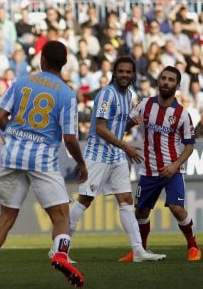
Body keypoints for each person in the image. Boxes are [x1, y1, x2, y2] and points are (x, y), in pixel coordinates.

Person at [0, 41, 88, 289]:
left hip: (12, 155)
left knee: (5, 217)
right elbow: (69, 138)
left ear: (43, 60)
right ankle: (60, 254)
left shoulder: (21, 81)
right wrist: (81, 163)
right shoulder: (67, 94)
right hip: (42, 158)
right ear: (65, 63)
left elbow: (0, 117)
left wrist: (15, 136)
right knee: (61, 215)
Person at [67, 57, 166, 263]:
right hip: (98, 155)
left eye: (128, 72)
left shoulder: (128, 94)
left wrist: (132, 122)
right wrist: (126, 147)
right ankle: (59, 248)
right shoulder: (106, 94)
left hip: (116, 155)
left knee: (126, 201)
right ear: (114, 72)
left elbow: (116, 125)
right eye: (120, 71)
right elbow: (101, 128)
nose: (124, 75)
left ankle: (138, 251)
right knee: (85, 200)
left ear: (133, 75)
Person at [123, 66, 200, 262]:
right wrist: (131, 123)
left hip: (171, 170)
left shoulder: (182, 114)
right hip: (148, 169)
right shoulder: (145, 104)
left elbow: (190, 146)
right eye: (163, 78)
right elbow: (124, 125)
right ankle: (141, 250)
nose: (166, 82)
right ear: (159, 81)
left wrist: (175, 165)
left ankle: (192, 246)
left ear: (176, 85)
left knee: (176, 208)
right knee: (140, 210)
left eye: (170, 80)